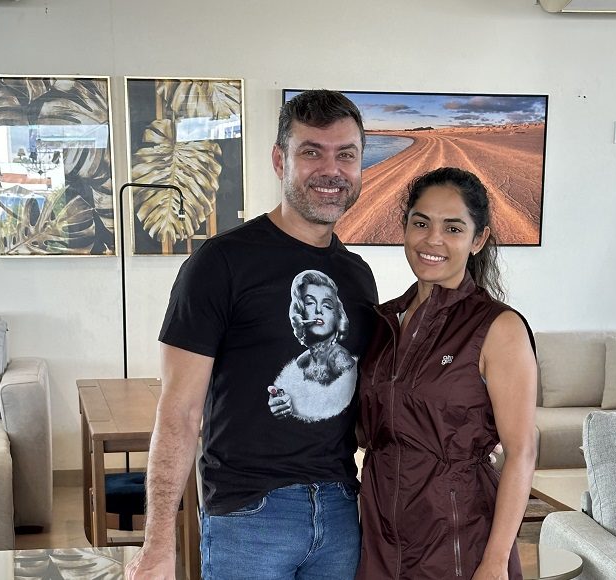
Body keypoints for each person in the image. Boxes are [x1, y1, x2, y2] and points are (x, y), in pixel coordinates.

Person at [125, 90, 378, 580]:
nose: (331, 170)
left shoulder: (357, 276)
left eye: (346, 155)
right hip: (250, 514)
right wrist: (157, 544)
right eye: (312, 152)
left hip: (341, 509)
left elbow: (361, 402)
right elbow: (179, 412)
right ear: (280, 160)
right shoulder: (220, 263)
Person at [356, 167, 537, 580]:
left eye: (452, 228)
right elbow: (367, 431)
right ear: (405, 228)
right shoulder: (382, 324)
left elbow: (521, 452)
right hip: (379, 539)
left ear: (478, 240)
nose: (432, 240)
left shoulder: (498, 327)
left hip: (458, 541)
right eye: (421, 223)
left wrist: (495, 562)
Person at [268, 269, 358, 422]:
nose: (318, 310)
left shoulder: (340, 359)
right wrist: (280, 403)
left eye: (327, 305)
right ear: (300, 312)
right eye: (310, 303)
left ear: (337, 316)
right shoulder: (302, 362)